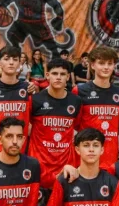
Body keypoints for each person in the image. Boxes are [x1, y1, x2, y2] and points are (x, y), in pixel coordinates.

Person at [27, 59, 82, 195]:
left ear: (68, 77)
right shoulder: (35, 100)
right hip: (40, 165)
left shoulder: (76, 101)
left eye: (62, 74)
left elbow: (77, 128)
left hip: (65, 166)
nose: (58, 77)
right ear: (47, 75)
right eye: (55, 73)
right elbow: (26, 127)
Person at [73, 46, 119, 173]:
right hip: (87, 157)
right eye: (101, 63)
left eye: (110, 63)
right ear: (92, 65)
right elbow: (74, 126)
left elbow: (118, 126)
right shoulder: (80, 90)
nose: (106, 67)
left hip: (111, 157)